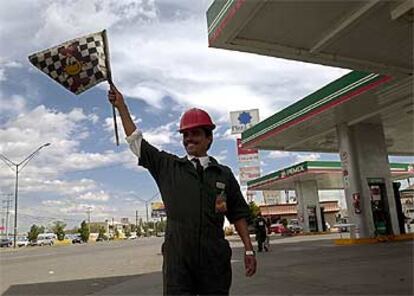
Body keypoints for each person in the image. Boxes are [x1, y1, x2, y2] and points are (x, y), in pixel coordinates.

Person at [108, 84, 257, 295]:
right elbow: (136, 142)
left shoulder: (223, 174)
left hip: (214, 261)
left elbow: (238, 214)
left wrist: (249, 249)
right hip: (178, 262)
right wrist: (121, 107)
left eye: (195, 133)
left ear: (209, 138)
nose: (189, 139)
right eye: (185, 135)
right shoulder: (168, 167)